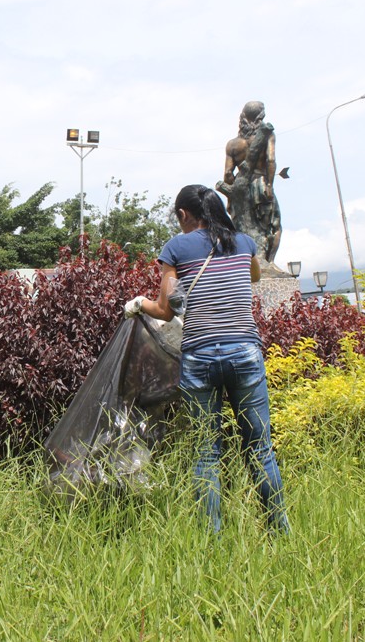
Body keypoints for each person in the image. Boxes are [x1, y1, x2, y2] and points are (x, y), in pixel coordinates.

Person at [125, 185, 289, 534]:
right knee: (260, 449)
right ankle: (279, 532)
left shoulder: (176, 247)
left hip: (200, 356)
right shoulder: (242, 242)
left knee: (205, 452)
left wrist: (140, 303)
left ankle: (212, 537)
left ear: (184, 215)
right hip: (244, 351)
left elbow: (166, 311)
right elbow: (254, 275)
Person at [215, 101, 282, 264]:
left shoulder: (232, 144)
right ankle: (269, 263)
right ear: (261, 116)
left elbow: (228, 174)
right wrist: (269, 185)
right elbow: (270, 160)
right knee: (273, 226)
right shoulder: (267, 135)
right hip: (260, 183)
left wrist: (231, 197)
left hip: (240, 189)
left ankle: (248, 263)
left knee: (242, 230)